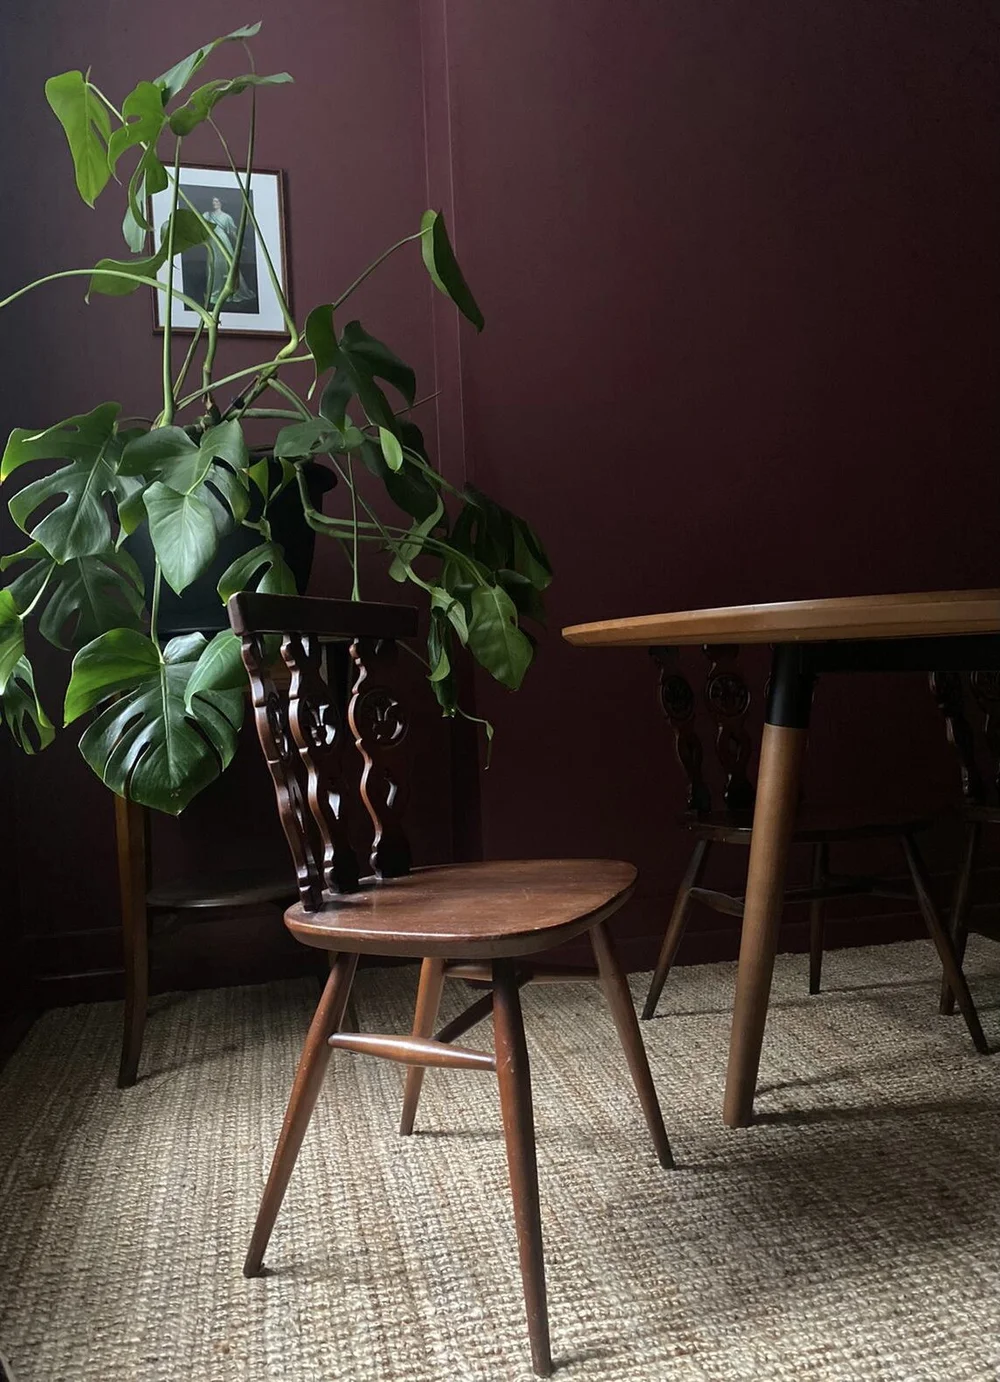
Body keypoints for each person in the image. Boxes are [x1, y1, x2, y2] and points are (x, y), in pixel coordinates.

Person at [202, 195, 254, 308]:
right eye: (213, 201)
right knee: (213, 267)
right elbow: (200, 227)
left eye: (216, 201)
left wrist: (241, 244)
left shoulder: (227, 217)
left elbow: (232, 233)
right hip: (212, 241)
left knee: (228, 265)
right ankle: (214, 293)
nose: (214, 203)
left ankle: (231, 292)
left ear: (221, 203)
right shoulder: (207, 215)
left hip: (223, 241)